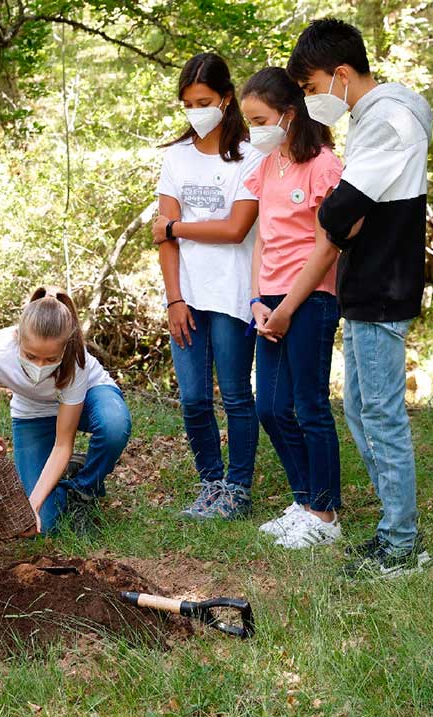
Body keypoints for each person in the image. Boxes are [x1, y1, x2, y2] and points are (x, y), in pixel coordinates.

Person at [288, 18, 433, 577]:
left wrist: (337, 216)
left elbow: (338, 211)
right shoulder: (383, 113)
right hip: (373, 283)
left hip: (380, 284)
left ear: (341, 74)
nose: (310, 98)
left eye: (312, 86)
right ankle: (395, 530)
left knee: (381, 415)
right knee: (361, 410)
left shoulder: (387, 122)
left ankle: (400, 544)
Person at [152, 53, 263, 521]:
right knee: (194, 396)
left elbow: (237, 227)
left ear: (226, 99)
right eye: (188, 103)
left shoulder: (251, 154)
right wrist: (175, 298)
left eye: (204, 101)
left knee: (236, 393)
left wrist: (177, 228)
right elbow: (162, 234)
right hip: (189, 295)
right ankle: (210, 483)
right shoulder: (175, 158)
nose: (196, 110)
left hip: (234, 292)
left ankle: (238, 487)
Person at [240, 67, 344, 548]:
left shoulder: (324, 164)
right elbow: (264, 236)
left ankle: (324, 516)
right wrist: (260, 300)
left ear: (288, 113)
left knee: (308, 407)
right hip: (272, 300)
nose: (253, 130)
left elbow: (327, 246)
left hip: (312, 297)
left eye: (260, 119)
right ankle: (304, 501)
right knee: (271, 408)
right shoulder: (266, 165)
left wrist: (288, 307)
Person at [0, 287, 131, 534]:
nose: (40, 366)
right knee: (46, 526)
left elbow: (62, 443)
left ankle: (84, 489)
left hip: (89, 398)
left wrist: (33, 503)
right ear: (18, 337)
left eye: (50, 360)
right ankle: (71, 468)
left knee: (113, 425)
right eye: (31, 356)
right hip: (33, 412)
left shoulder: (75, 360)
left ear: (64, 347)